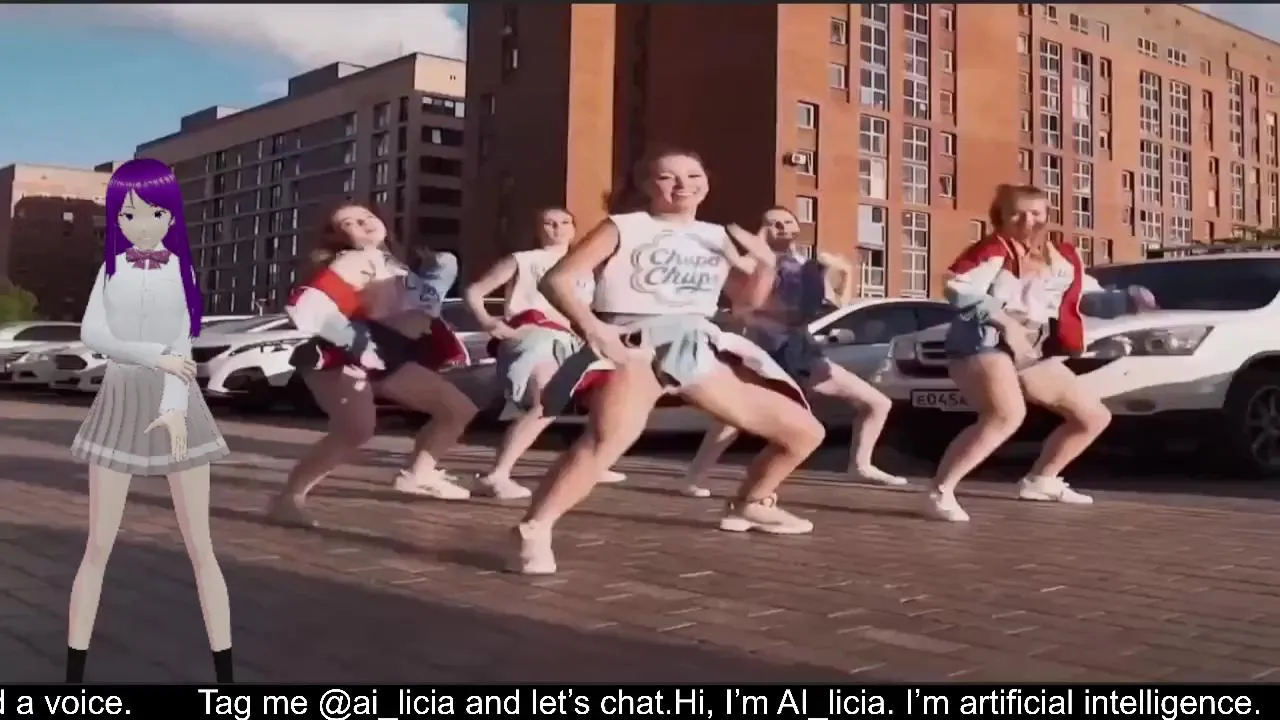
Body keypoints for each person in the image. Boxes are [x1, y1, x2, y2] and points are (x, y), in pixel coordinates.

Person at [511, 147, 827, 575]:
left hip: (693, 345)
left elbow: (745, 303)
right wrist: (594, 328)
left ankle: (751, 504)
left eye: (693, 176)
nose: (683, 185)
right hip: (635, 343)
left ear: (707, 182)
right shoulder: (624, 226)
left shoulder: (716, 236)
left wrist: (766, 264)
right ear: (647, 185)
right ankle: (533, 529)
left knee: (804, 432)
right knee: (608, 440)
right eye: (668, 177)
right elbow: (558, 279)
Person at [67, 158, 234, 682]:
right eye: (129, 214)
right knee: (98, 544)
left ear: (171, 216)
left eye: (154, 213)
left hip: (175, 397)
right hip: (120, 396)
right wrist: (152, 356)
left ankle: (226, 678)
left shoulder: (180, 269)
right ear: (116, 218)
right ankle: (73, 678)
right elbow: (93, 334)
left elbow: (182, 342)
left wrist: (173, 407)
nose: (142, 225)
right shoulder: (110, 270)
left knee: (201, 545)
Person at [926, 183, 1158, 522]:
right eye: (1017, 214)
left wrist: (1128, 301)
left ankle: (1041, 480)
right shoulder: (994, 250)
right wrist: (1004, 321)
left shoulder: (1061, 257)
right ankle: (940, 491)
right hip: (984, 342)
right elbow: (956, 288)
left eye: (1035, 213)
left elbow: (1084, 299)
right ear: (1000, 218)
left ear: (1048, 216)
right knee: (1005, 415)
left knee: (1092, 416)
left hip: (1031, 347)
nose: (1027, 221)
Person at [267, 202, 478, 528]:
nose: (362, 223)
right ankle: (289, 499)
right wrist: (355, 342)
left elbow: (416, 314)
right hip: (339, 355)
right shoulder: (357, 259)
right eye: (349, 223)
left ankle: (418, 475)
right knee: (356, 430)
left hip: (387, 353)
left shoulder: (391, 263)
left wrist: (438, 274)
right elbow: (304, 306)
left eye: (366, 216)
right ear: (338, 238)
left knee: (456, 409)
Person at [680, 206, 906, 498]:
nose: (782, 228)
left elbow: (835, 305)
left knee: (877, 403)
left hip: (803, 352)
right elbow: (747, 286)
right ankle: (695, 477)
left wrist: (845, 271)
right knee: (733, 418)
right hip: (768, 351)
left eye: (787, 222)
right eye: (773, 224)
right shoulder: (753, 261)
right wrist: (759, 242)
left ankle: (860, 465)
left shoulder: (806, 265)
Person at [463, 207, 627, 499]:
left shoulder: (586, 266)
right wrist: (488, 321)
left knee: (607, 395)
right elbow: (475, 291)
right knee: (546, 404)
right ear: (538, 229)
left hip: (573, 338)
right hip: (536, 332)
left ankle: (592, 460)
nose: (557, 228)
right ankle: (496, 474)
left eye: (564, 222)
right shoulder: (524, 259)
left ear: (574, 229)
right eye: (549, 223)